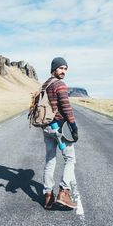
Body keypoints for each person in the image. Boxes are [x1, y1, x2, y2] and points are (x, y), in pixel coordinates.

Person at [42, 57, 79, 210]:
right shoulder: (59, 84)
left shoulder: (45, 84)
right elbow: (66, 107)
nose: (63, 71)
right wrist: (74, 126)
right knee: (70, 159)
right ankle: (63, 192)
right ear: (54, 68)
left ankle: (48, 196)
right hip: (59, 129)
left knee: (50, 160)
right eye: (61, 68)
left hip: (47, 128)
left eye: (65, 69)